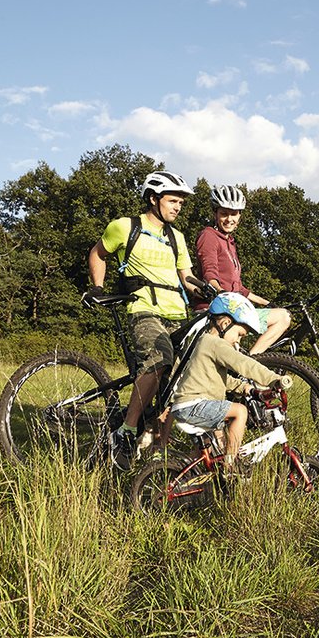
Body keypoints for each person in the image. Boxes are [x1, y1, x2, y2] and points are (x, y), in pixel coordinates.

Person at [84, 170, 204, 470]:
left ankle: (156, 450)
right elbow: (98, 254)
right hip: (143, 310)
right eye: (173, 200)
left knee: (184, 377)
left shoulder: (177, 237)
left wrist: (210, 290)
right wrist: (97, 288)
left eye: (180, 202)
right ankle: (126, 431)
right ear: (153, 198)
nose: (178, 207)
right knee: (160, 358)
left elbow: (186, 277)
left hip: (177, 314)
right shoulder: (125, 227)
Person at [170, 292, 292, 473]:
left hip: (193, 405)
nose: (239, 340)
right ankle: (230, 465)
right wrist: (273, 379)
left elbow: (222, 380)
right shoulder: (215, 344)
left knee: (215, 450)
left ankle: (186, 478)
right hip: (193, 405)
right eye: (240, 334)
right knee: (240, 411)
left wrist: (247, 389)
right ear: (225, 324)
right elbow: (244, 364)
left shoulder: (206, 343)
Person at [194, 185, 290, 354]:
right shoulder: (209, 236)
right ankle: (248, 365)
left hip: (234, 308)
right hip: (215, 310)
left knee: (283, 316)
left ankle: (252, 360)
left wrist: (266, 303)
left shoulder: (229, 242)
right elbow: (210, 273)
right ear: (215, 213)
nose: (229, 218)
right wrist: (222, 293)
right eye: (224, 213)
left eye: (234, 213)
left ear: (240, 215)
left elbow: (239, 288)